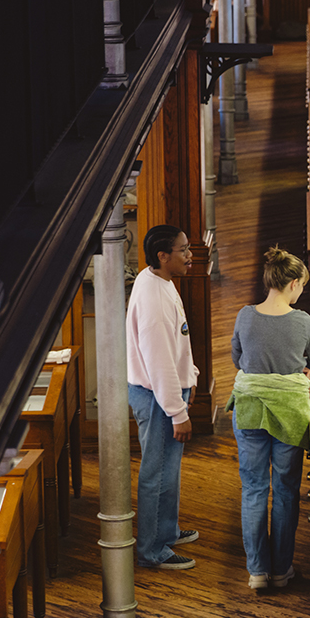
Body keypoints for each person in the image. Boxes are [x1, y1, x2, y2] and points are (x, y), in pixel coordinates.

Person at [230, 247, 310, 589]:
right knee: (285, 491)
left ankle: (257, 571)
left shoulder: (245, 315)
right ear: (294, 283)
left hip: (250, 409)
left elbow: (237, 358)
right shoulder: (303, 321)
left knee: (254, 489)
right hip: (290, 414)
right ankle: (282, 571)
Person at [127, 225, 200, 570]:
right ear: (163, 256)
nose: (190, 255)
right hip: (159, 398)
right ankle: (152, 550)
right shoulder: (153, 298)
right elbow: (159, 362)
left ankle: (165, 531)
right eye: (183, 250)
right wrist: (177, 410)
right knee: (157, 474)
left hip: (166, 393)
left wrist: (192, 376)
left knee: (168, 471)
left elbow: (179, 341)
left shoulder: (159, 281)